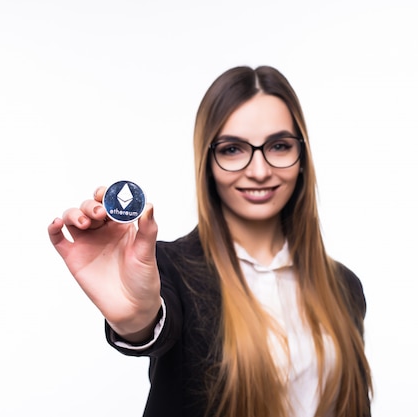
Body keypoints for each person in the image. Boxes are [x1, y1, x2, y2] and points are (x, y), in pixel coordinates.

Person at [48, 65, 372, 417]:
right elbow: (154, 323)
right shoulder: (167, 269)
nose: (260, 171)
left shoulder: (344, 286)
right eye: (233, 149)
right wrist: (136, 318)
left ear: (302, 158)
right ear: (208, 162)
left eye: (279, 146)